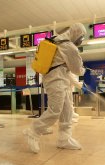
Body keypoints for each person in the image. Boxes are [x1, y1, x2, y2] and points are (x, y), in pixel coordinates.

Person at [24, 23, 87, 153]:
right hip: (56, 82)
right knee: (55, 111)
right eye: (81, 37)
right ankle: (34, 131)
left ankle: (64, 139)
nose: (80, 40)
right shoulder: (68, 47)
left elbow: (64, 68)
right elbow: (77, 70)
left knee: (67, 110)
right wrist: (83, 70)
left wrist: (75, 83)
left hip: (59, 81)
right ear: (76, 33)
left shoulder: (56, 40)